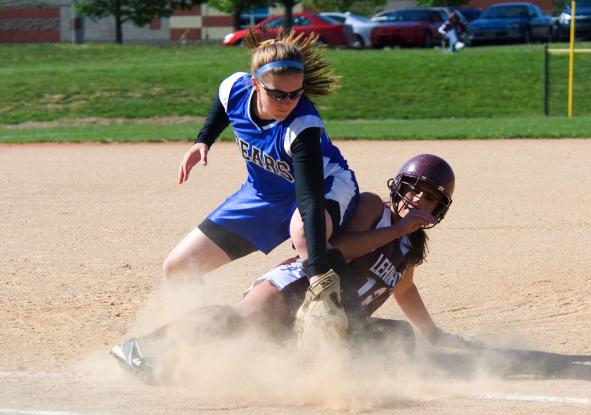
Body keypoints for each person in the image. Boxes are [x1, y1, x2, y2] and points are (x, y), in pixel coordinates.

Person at [112, 154, 477, 383]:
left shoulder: (408, 245)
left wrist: (433, 334)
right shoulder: (373, 208)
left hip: (327, 320)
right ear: (399, 186)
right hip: (297, 286)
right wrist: (396, 228)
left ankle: (213, 368)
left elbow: (404, 290)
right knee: (240, 321)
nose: (417, 200)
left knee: (399, 339)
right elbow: (337, 250)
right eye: (414, 189)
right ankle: (144, 347)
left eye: (429, 197)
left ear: (438, 209)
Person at [161, 30, 361, 342]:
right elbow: (222, 106)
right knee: (178, 267)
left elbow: (308, 199)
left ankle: (353, 327)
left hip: (326, 186)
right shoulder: (235, 88)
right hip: (262, 194)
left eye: (296, 94)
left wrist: (318, 271)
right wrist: (203, 140)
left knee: (303, 233)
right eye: (279, 95)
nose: (289, 102)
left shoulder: (302, 126)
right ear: (255, 83)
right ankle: (204, 336)